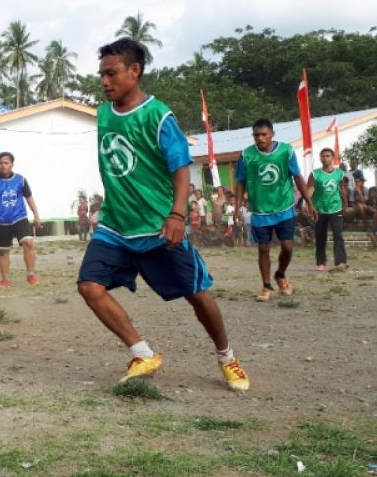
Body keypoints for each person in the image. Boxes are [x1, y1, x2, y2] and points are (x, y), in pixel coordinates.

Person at [76, 38, 248, 392]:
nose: (104, 81)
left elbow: (181, 167)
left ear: (134, 71)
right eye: (101, 75)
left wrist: (177, 215)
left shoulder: (159, 116)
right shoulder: (104, 113)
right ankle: (143, 353)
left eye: (111, 73)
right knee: (89, 286)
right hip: (115, 226)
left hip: (157, 227)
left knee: (197, 294)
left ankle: (227, 356)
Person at [235, 119, 314, 302]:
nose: (260, 138)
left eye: (264, 134)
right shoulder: (246, 155)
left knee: (287, 246)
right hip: (260, 211)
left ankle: (280, 274)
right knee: (263, 248)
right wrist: (238, 206)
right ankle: (266, 285)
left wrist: (309, 202)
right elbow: (240, 181)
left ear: (272, 134)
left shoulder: (286, 151)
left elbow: (297, 177)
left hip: (284, 207)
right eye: (256, 135)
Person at [0, 151, 41, 287]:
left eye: (6, 163)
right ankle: (5, 279)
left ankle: (31, 275)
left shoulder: (20, 180)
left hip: (19, 217)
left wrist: (36, 215)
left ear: (12, 164)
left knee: (28, 243)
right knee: (3, 251)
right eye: (1, 163)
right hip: (1, 221)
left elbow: (29, 198)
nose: (4, 166)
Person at [308, 148, 348, 271]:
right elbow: (310, 189)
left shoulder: (339, 173)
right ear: (320, 158)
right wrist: (308, 204)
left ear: (332, 158)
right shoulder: (315, 174)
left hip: (336, 208)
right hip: (320, 209)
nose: (325, 158)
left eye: (328, 156)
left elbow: (342, 189)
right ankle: (321, 262)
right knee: (320, 237)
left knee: (338, 235)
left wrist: (345, 204)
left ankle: (341, 262)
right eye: (323, 156)